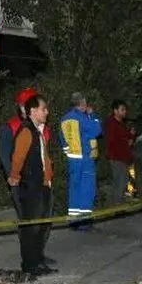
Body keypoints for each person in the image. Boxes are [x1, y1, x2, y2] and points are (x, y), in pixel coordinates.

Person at [0, 87, 56, 266]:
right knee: (29, 223)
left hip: (41, 182)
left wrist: (47, 176)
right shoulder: (13, 127)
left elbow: (44, 154)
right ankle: (30, 261)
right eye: (41, 107)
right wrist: (14, 178)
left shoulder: (41, 128)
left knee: (43, 221)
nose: (45, 111)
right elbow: (11, 157)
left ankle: (38, 255)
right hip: (25, 183)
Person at [59, 92, 102, 229]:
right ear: (82, 103)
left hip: (72, 160)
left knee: (74, 189)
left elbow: (62, 139)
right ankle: (84, 222)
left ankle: (74, 221)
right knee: (87, 189)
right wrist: (93, 116)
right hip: (85, 159)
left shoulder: (65, 119)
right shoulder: (82, 118)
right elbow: (97, 130)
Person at [105, 100, 135, 203]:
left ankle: (117, 203)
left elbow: (125, 136)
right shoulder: (111, 123)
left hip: (122, 157)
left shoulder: (120, 123)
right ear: (115, 111)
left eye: (125, 109)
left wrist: (130, 135)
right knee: (120, 182)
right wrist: (127, 142)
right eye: (122, 109)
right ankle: (117, 205)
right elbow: (113, 141)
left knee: (122, 181)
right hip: (116, 157)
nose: (125, 112)